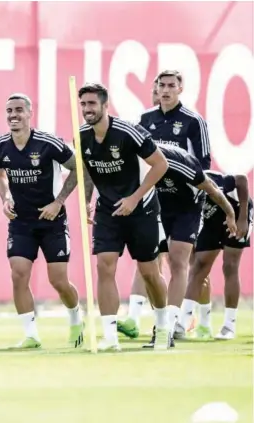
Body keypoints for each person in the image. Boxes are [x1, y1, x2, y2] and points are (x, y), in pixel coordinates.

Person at [78, 82, 170, 351]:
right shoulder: (80, 135)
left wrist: (134, 198)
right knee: (104, 266)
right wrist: (85, 200)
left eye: (92, 104)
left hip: (142, 208)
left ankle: (163, 327)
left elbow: (160, 165)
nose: (87, 109)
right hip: (108, 211)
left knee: (149, 271)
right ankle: (110, 338)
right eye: (83, 104)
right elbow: (86, 171)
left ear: (106, 105)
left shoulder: (129, 132)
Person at [123, 70, 212, 340]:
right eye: (161, 85)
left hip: (186, 202)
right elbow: (137, 159)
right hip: (156, 201)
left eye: (171, 85)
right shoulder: (145, 120)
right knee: (148, 260)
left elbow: (203, 165)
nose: (166, 90)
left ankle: (176, 322)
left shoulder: (194, 121)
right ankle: (146, 318)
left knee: (179, 259)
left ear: (180, 89)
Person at [0, 93, 83, 348]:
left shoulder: (48, 143)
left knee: (58, 280)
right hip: (21, 222)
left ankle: (76, 318)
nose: (14, 115)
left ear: (30, 113)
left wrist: (59, 202)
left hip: (52, 220)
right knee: (19, 274)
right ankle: (31, 334)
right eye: (9, 110)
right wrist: (5, 198)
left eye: (19, 110)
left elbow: (79, 167)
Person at [136, 145, 236, 347]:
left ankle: (169, 329)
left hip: (187, 210)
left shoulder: (181, 164)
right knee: (149, 267)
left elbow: (213, 190)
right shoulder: (132, 162)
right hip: (158, 208)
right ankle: (161, 322)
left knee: (178, 260)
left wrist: (230, 213)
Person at [180, 171, 252, 340]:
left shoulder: (203, 179)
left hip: (236, 210)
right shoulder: (177, 192)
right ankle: (182, 323)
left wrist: (243, 218)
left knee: (230, 266)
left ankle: (229, 325)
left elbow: (241, 179)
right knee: (198, 267)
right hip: (211, 220)